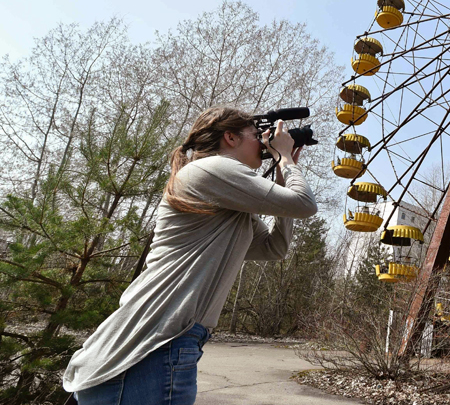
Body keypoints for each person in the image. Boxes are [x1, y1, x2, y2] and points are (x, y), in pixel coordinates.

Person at [62, 107, 318, 404]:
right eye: (255, 135)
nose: (263, 142)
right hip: (154, 346)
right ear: (231, 137)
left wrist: (284, 179)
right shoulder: (212, 168)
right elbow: (304, 204)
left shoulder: (228, 201)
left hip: (158, 344)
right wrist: (285, 158)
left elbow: (275, 248)